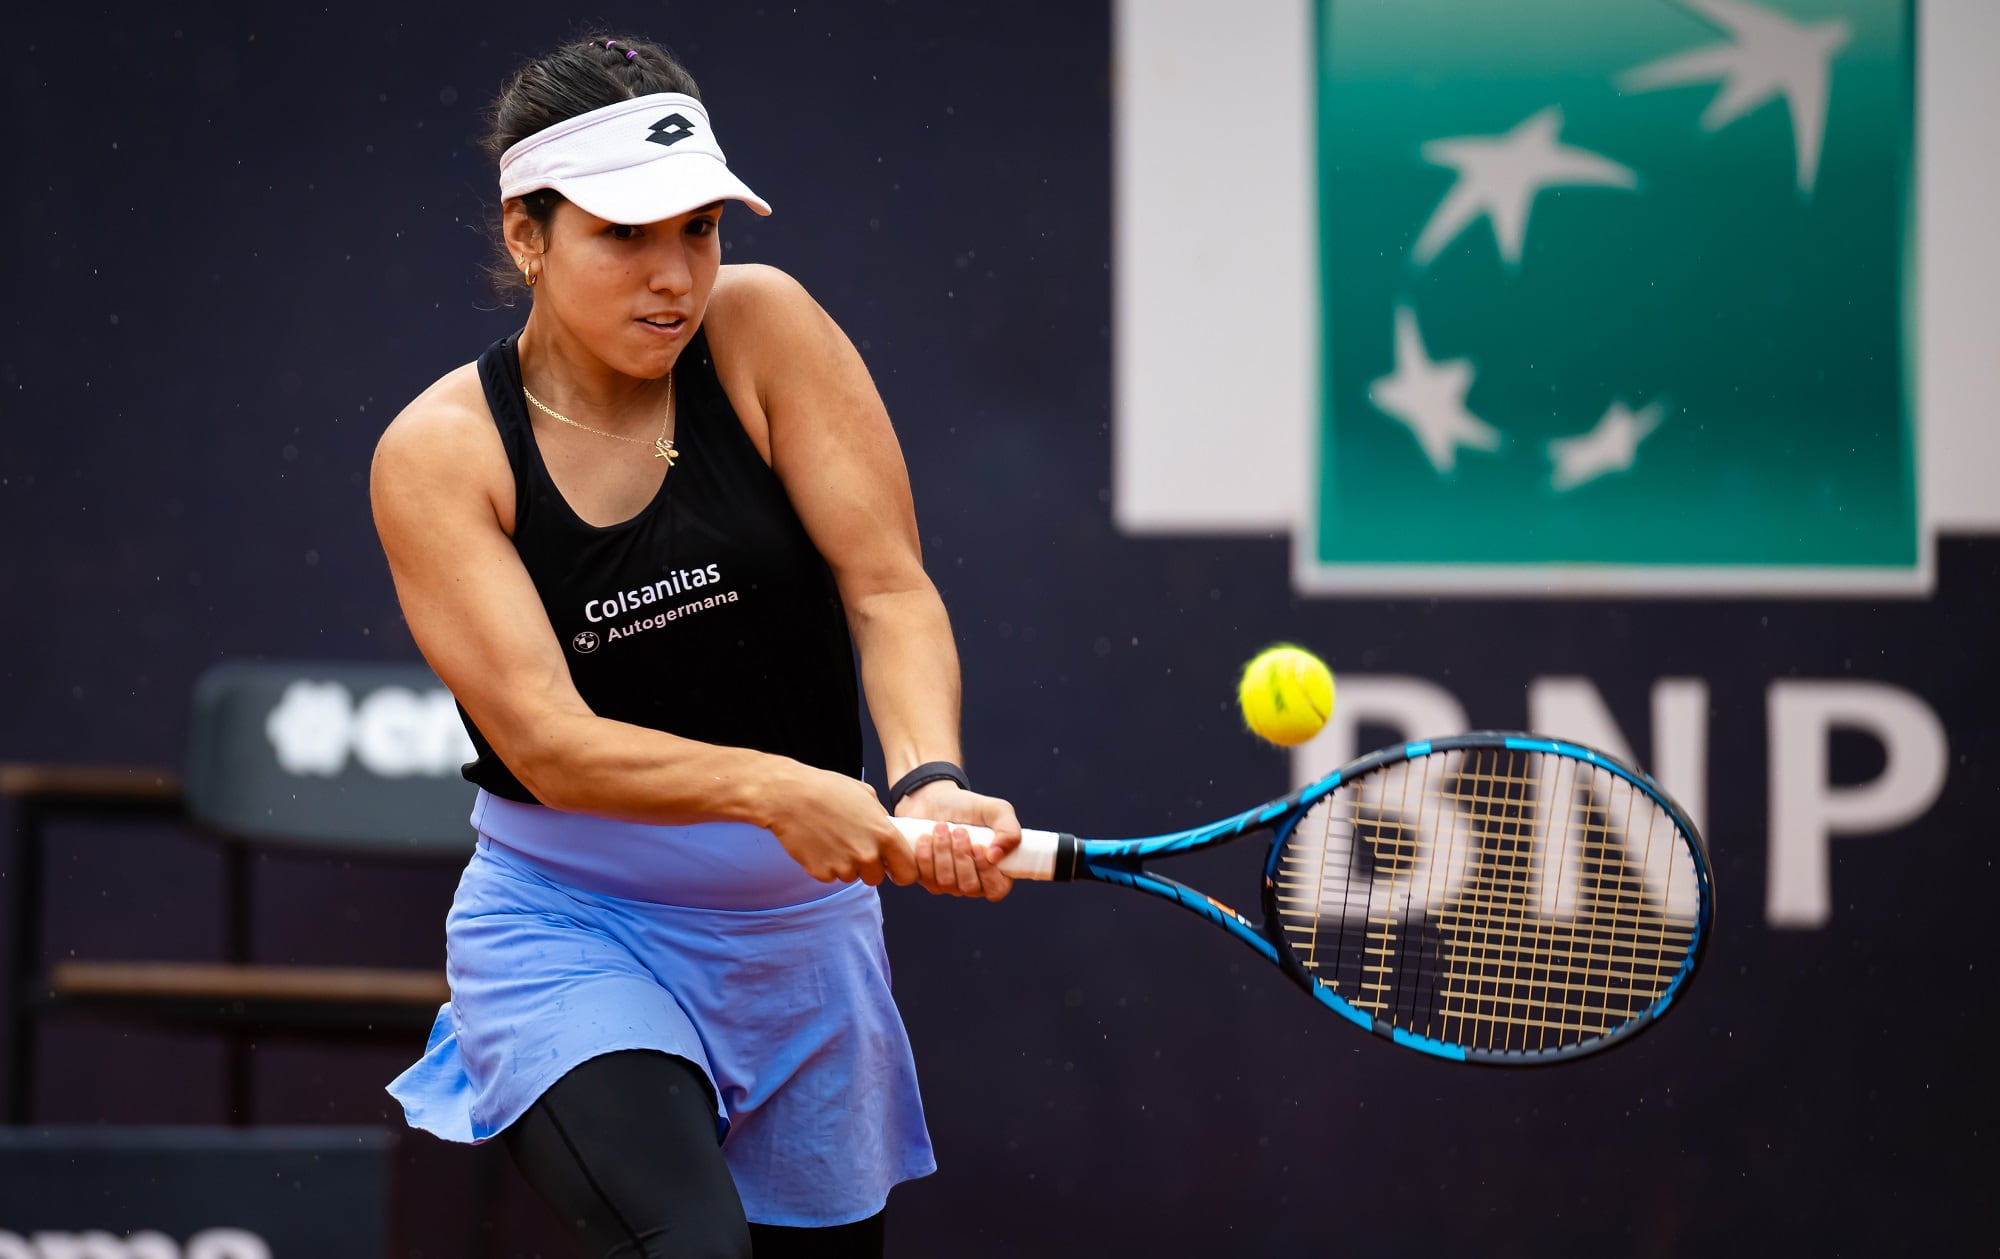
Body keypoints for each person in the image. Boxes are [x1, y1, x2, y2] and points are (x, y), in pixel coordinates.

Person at [373, 34, 1021, 1259]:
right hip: (575, 927)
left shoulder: (765, 326)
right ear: (526, 234)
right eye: (624, 235)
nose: (673, 276)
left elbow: (887, 588)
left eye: (698, 230)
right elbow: (550, 745)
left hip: (803, 947)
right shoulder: (439, 452)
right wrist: (773, 787)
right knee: (695, 1246)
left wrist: (927, 773)